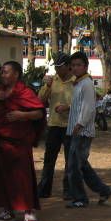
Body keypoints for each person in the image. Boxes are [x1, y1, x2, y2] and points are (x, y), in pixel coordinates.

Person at [0, 61, 46, 221]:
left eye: (6, 72)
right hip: (0, 140)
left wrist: (22, 116)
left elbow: (39, 113)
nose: (3, 75)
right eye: (2, 72)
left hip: (19, 142)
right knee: (0, 176)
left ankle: (28, 211)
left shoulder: (24, 91)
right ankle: (7, 211)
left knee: (22, 177)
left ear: (16, 74)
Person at [65, 52, 111, 208]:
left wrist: (79, 125)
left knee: (73, 166)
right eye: (73, 65)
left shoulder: (86, 84)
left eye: (79, 65)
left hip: (82, 131)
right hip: (77, 129)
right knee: (82, 165)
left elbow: (89, 108)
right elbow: (80, 106)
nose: (75, 68)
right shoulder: (78, 83)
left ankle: (80, 198)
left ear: (85, 66)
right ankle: (103, 190)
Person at [37, 52, 75, 199]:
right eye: (56, 67)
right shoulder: (53, 80)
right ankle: (45, 188)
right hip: (53, 124)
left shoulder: (75, 81)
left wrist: (68, 107)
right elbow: (40, 99)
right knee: (49, 159)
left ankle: (68, 190)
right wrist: (46, 86)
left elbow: (81, 103)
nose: (57, 70)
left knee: (69, 160)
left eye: (60, 67)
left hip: (70, 125)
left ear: (68, 67)